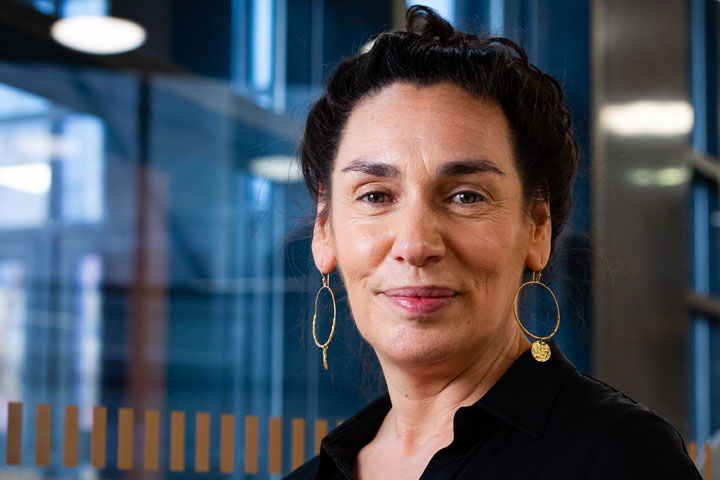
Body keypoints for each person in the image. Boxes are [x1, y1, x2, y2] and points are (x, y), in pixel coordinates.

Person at [286, 5, 701, 479]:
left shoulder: (621, 459)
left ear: (537, 226)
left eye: (465, 196)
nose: (416, 244)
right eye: (376, 195)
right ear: (324, 230)